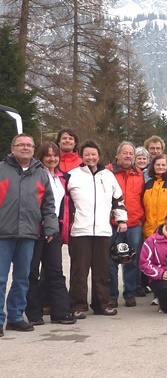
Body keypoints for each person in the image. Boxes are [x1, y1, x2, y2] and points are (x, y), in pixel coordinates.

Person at [0, 134, 58, 335]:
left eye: (29, 145)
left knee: (22, 277)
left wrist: (50, 227)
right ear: (13, 147)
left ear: (34, 149)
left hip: (28, 234)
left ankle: (15, 317)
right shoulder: (1, 169)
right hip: (3, 234)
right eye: (21, 145)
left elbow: (49, 205)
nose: (25, 148)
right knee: (0, 278)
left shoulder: (41, 173)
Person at [67, 140, 127, 318]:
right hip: (79, 231)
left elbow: (118, 200)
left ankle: (101, 304)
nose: (90, 157)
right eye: (87, 154)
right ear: (81, 156)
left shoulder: (108, 176)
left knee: (102, 270)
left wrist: (121, 219)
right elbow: (65, 203)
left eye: (93, 154)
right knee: (79, 270)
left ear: (99, 156)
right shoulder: (73, 175)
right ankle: (78, 305)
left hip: (103, 231)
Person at [25, 142, 76, 326]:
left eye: (55, 155)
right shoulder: (36, 174)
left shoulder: (62, 177)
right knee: (32, 272)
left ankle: (60, 312)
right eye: (47, 155)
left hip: (53, 230)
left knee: (55, 271)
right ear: (41, 157)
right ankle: (34, 313)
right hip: (35, 229)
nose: (52, 159)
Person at [106, 142, 146, 308]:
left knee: (131, 260)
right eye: (125, 153)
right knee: (111, 261)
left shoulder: (139, 174)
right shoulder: (107, 172)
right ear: (117, 155)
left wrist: (142, 218)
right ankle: (112, 295)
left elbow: (143, 197)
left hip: (134, 223)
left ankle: (129, 293)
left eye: (131, 153)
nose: (128, 156)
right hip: (112, 223)